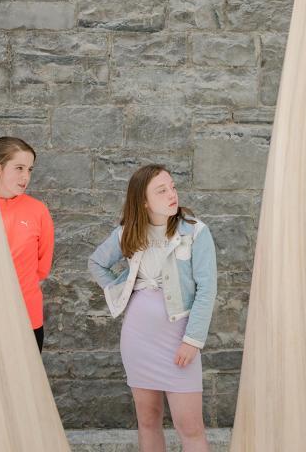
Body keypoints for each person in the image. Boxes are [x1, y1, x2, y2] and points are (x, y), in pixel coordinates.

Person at [88, 164, 217, 452]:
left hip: (179, 341)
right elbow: (96, 263)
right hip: (138, 340)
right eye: (162, 190)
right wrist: (123, 288)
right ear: (143, 201)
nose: (172, 194)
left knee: (191, 427)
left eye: (172, 186)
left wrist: (192, 340)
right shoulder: (127, 234)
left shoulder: (195, 232)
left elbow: (207, 290)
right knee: (148, 420)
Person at [0, 136, 54, 352]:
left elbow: (42, 268)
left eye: (29, 169)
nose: (26, 176)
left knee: (26, 386)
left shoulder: (38, 211)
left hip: (28, 317)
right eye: (19, 168)